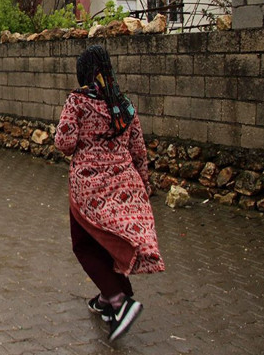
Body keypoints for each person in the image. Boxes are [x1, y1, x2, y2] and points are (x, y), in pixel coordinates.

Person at [54, 45, 164, 343]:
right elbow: (138, 150)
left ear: (84, 72)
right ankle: (108, 299)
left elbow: (63, 143)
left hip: (90, 189)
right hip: (126, 184)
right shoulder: (125, 104)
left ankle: (118, 300)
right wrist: (144, 186)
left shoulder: (78, 101)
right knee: (110, 241)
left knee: (84, 244)